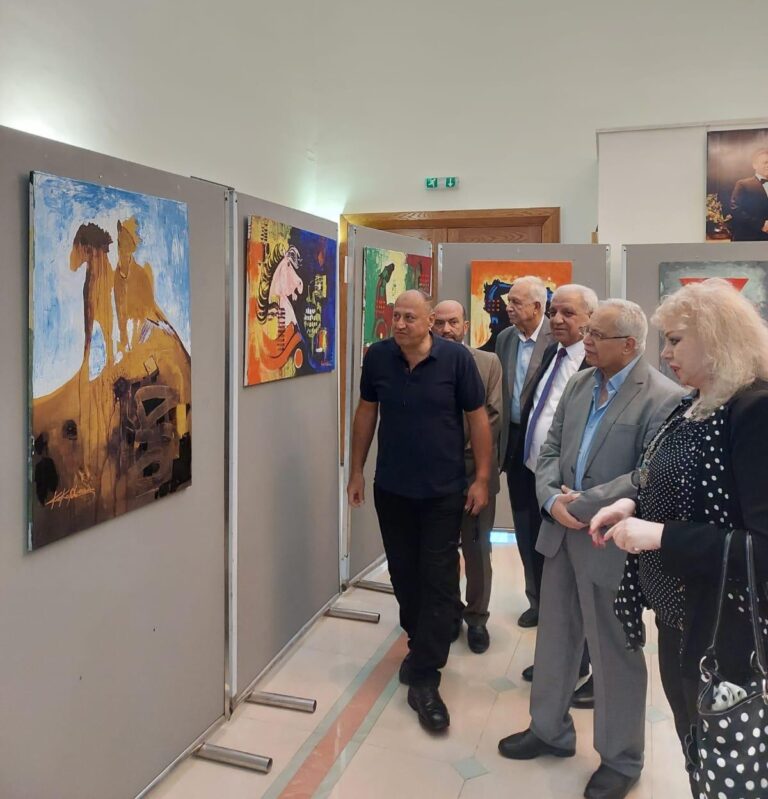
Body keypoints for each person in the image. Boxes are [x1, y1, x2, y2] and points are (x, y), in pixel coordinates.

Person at [498, 299, 684, 799]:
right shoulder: (580, 383)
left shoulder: (663, 397)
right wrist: (549, 499)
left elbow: (647, 474)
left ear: (629, 344)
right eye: (589, 333)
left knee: (614, 651)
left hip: (610, 543)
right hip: (561, 533)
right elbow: (550, 448)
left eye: (597, 334)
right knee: (555, 638)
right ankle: (548, 730)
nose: (587, 341)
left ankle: (621, 759)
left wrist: (581, 505)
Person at [590, 280, 768, 794]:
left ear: (717, 338)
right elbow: (675, 487)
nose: (664, 354)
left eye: (674, 340)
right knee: (696, 743)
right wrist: (632, 504)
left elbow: (760, 546)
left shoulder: (753, 411)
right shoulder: (695, 404)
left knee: (726, 755)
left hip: (726, 628)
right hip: (680, 617)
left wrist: (659, 536)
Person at [347, 290, 492, 732]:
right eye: (396, 316)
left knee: (439, 578)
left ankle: (426, 675)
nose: (400, 323)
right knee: (404, 575)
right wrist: (355, 470)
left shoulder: (456, 360)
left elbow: (478, 418)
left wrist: (481, 478)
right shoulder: (378, 358)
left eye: (410, 317)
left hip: (443, 492)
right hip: (393, 489)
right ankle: (419, 641)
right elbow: (366, 413)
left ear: (430, 321)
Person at [433, 299, 503, 654]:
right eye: (440, 322)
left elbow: (492, 416)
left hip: (476, 471)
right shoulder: (422, 364)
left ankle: (476, 618)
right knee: (441, 551)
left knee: (477, 550)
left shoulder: (488, 363)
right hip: (435, 476)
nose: (446, 329)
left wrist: (467, 459)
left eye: (453, 322)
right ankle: (448, 612)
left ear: (464, 325)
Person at [495, 276, 553, 628]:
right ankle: (536, 599)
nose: (509, 307)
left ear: (537, 306)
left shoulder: (556, 340)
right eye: (508, 301)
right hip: (514, 442)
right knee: (523, 523)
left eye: (516, 302)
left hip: (547, 447)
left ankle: (556, 600)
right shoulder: (505, 338)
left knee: (548, 525)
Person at [729, 148, 768, 241]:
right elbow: (735, 210)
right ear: (754, 165)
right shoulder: (743, 184)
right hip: (750, 237)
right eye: (765, 162)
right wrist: (761, 225)